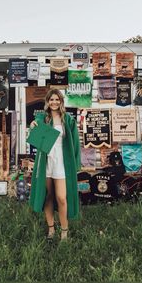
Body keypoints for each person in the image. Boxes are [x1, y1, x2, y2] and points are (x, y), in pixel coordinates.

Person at [29, 88, 81, 241]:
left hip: (61, 162)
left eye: (57, 99)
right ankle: (51, 229)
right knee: (48, 196)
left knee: (62, 197)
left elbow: (76, 143)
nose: (54, 102)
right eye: (51, 99)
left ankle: (64, 231)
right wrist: (32, 125)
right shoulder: (42, 118)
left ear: (61, 101)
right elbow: (35, 126)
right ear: (47, 101)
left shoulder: (68, 120)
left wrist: (76, 164)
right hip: (46, 161)